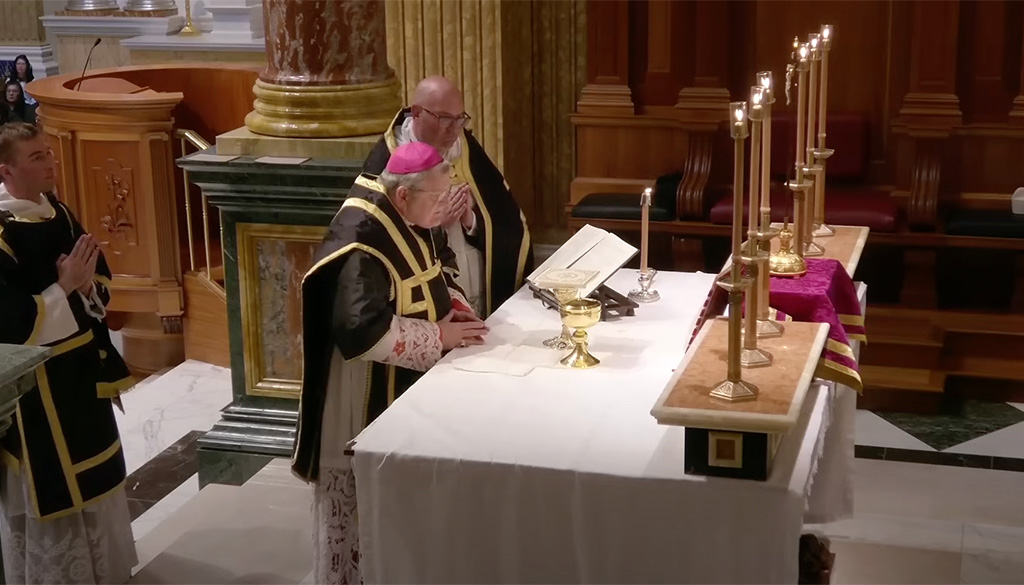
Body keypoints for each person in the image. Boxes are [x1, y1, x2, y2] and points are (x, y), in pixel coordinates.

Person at [293, 142, 489, 584]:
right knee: (363, 518)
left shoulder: (414, 212)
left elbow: (434, 272)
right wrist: (439, 335)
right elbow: (361, 330)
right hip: (362, 390)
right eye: (436, 198)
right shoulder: (361, 237)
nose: (443, 208)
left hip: (400, 385)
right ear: (403, 195)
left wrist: (452, 307)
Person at [0, 123, 136, 583]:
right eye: (37, 157)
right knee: (57, 486)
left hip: (81, 365)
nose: (50, 163)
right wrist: (65, 287)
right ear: (7, 170)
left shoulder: (56, 209)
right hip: (36, 383)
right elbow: (12, 325)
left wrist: (84, 287)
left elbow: (98, 276)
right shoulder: (1, 234)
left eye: (49, 154)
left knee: (98, 474)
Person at [362, 75, 533, 318]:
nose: (454, 129)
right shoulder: (387, 160)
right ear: (417, 112)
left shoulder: (465, 147)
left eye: (460, 118)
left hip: (472, 272)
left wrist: (471, 221)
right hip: (427, 283)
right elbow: (377, 234)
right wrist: (433, 224)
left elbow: (504, 217)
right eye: (444, 119)